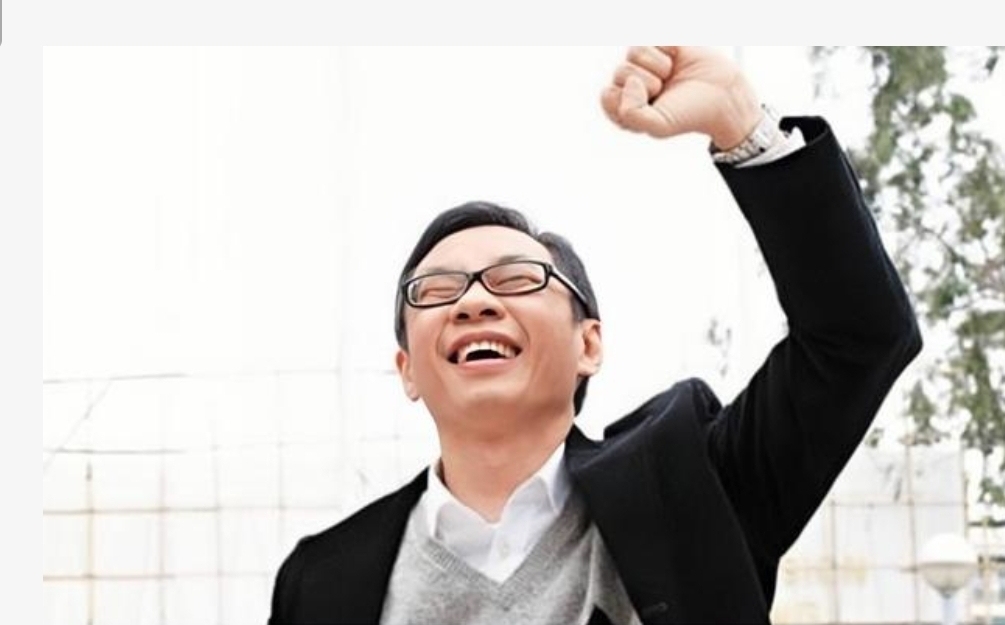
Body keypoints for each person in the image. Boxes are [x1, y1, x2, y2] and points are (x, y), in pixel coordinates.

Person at [268, 46, 922, 625]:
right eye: (438, 290)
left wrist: (739, 122)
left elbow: (856, 335)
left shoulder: (690, 491)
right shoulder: (322, 579)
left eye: (516, 278)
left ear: (589, 344)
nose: (474, 301)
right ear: (407, 367)